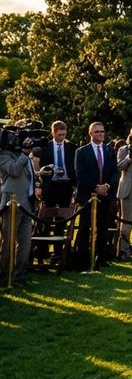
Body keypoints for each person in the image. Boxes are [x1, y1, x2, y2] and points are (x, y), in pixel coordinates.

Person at [74, 122, 117, 268]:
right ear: (90, 133)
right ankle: (82, 258)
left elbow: (115, 172)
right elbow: (80, 173)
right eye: (97, 132)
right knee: (85, 226)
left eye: (102, 131)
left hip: (105, 195)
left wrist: (107, 186)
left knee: (103, 227)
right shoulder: (82, 151)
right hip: (87, 194)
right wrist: (95, 187)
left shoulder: (109, 150)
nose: (100, 134)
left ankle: (101, 257)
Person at [0, 133, 41, 286]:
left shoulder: (24, 155)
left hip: (27, 204)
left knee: (25, 243)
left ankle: (19, 276)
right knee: (8, 241)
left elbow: (28, 175)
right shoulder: (4, 155)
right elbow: (14, 170)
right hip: (12, 202)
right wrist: (24, 154)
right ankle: (4, 275)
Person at [38, 120, 76, 209]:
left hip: (66, 185)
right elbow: (42, 165)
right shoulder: (46, 147)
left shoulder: (71, 147)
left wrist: (74, 185)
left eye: (64, 134)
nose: (62, 137)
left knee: (63, 216)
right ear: (53, 133)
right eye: (60, 135)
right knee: (48, 215)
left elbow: (74, 167)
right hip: (50, 185)